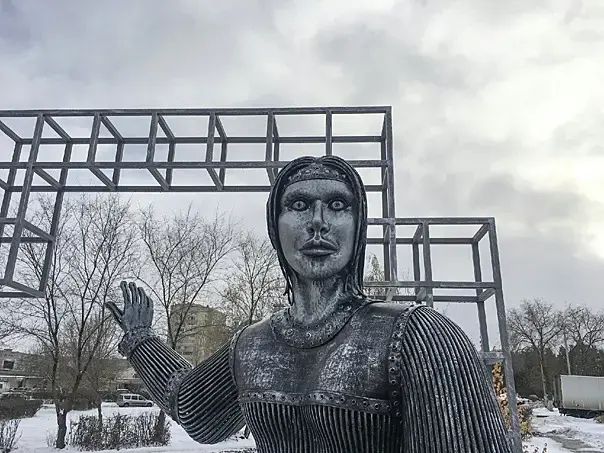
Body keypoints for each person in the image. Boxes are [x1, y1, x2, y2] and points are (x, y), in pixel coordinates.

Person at [107, 155, 513, 452]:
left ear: (357, 225)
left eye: (337, 205)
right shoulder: (252, 344)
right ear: (275, 226)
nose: (318, 221)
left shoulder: (418, 336)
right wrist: (141, 340)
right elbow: (195, 411)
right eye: (299, 205)